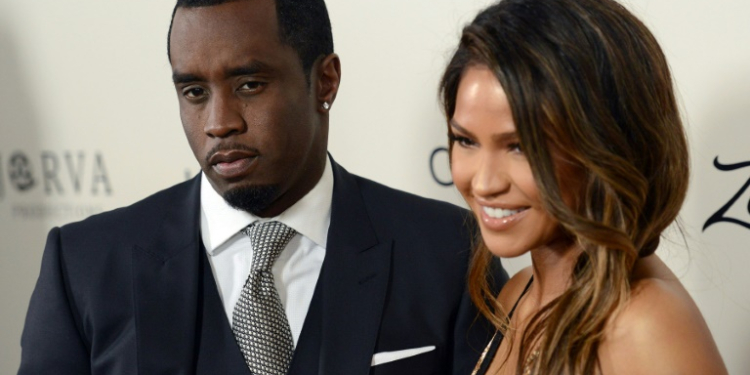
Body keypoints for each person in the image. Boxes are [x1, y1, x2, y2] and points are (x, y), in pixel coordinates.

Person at [18, 0, 507, 374]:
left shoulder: (449, 253)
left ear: (325, 82)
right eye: (193, 92)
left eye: (249, 85)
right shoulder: (83, 266)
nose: (219, 123)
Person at [439, 0, 728, 374]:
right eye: (466, 141)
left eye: (520, 147)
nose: (484, 182)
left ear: (606, 144)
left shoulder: (645, 325)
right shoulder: (518, 293)